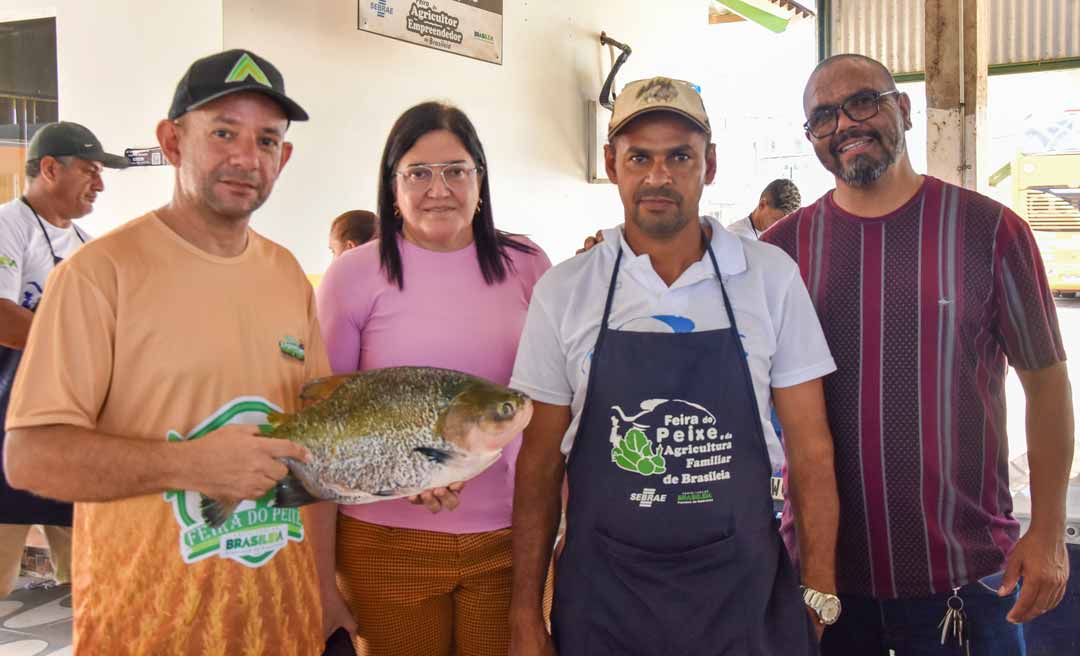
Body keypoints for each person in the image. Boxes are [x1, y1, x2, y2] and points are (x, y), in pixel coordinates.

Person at [3, 49, 327, 655]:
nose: (244, 157)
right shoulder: (100, 274)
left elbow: (315, 441)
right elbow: (30, 457)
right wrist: (190, 466)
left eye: (265, 140)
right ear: (172, 141)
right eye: (223, 132)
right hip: (145, 627)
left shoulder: (286, 274)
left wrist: (417, 470)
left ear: (283, 158)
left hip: (282, 624)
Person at [508, 76, 841, 656]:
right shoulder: (565, 290)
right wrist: (523, 612)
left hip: (743, 596)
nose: (658, 175)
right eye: (639, 156)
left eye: (679, 156)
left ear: (709, 166)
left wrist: (818, 587)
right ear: (613, 165)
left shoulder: (769, 279)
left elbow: (811, 449)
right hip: (603, 602)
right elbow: (539, 462)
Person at [761, 53, 1074, 655]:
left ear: (902, 108)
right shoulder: (781, 253)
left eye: (863, 101)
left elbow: (1047, 385)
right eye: (822, 117)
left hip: (966, 578)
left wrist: (1049, 529)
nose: (844, 123)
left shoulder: (991, 231)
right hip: (822, 585)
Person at [314, 102, 551, 656]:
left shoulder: (528, 264)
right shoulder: (353, 276)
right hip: (383, 544)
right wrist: (321, 578)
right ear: (392, 185)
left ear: (480, 179)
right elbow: (323, 433)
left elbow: (553, 404)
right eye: (418, 172)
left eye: (455, 170)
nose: (438, 188)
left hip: (510, 538)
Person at [0, 121, 128, 595]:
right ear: (50, 168)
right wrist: (77, 345)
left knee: (87, 581)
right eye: (91, 171)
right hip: (7, 425)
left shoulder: (88, 249)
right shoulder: (7, 227)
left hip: (70, 431)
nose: (100, 184)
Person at [727, 178, 801, 240]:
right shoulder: (737, 237)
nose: (781, 229)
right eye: (777, 221)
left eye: (785, 225)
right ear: (762, 205)